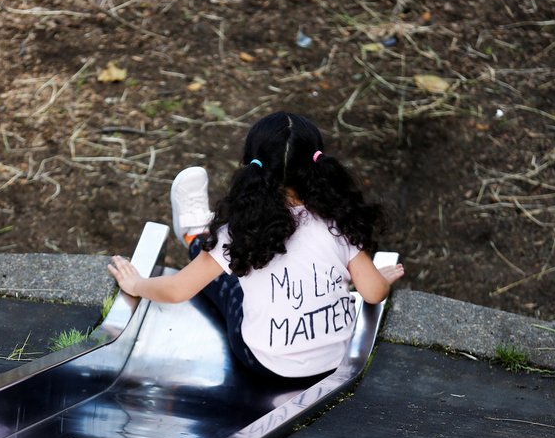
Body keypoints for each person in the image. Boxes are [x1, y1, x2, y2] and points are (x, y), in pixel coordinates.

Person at [108, 111, 404, 379]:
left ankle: (195, 237)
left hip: (262, 362)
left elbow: (176, 291)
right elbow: (375, 293)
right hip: (334, 364)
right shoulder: (336, 222)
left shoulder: (240, 232)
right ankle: (198, 240)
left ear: (254, 164)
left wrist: (137, 285)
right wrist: (375, 278)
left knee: (229, 278)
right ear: (318, 164)